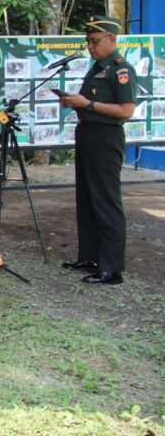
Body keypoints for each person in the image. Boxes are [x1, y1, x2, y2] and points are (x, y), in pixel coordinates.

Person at [59, 16, 137, 285]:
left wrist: (88, 105)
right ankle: (90, 257)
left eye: (94, 41)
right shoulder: (96, 68)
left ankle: (112, 268)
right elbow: (91, 102)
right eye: (88, 42)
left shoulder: (120, 69)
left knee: (106, 201)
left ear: (111, 40)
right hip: (88, 134)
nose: (90, 47)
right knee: (87, 198)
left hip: (106, 137)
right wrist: (75, 103)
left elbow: (126, 111)